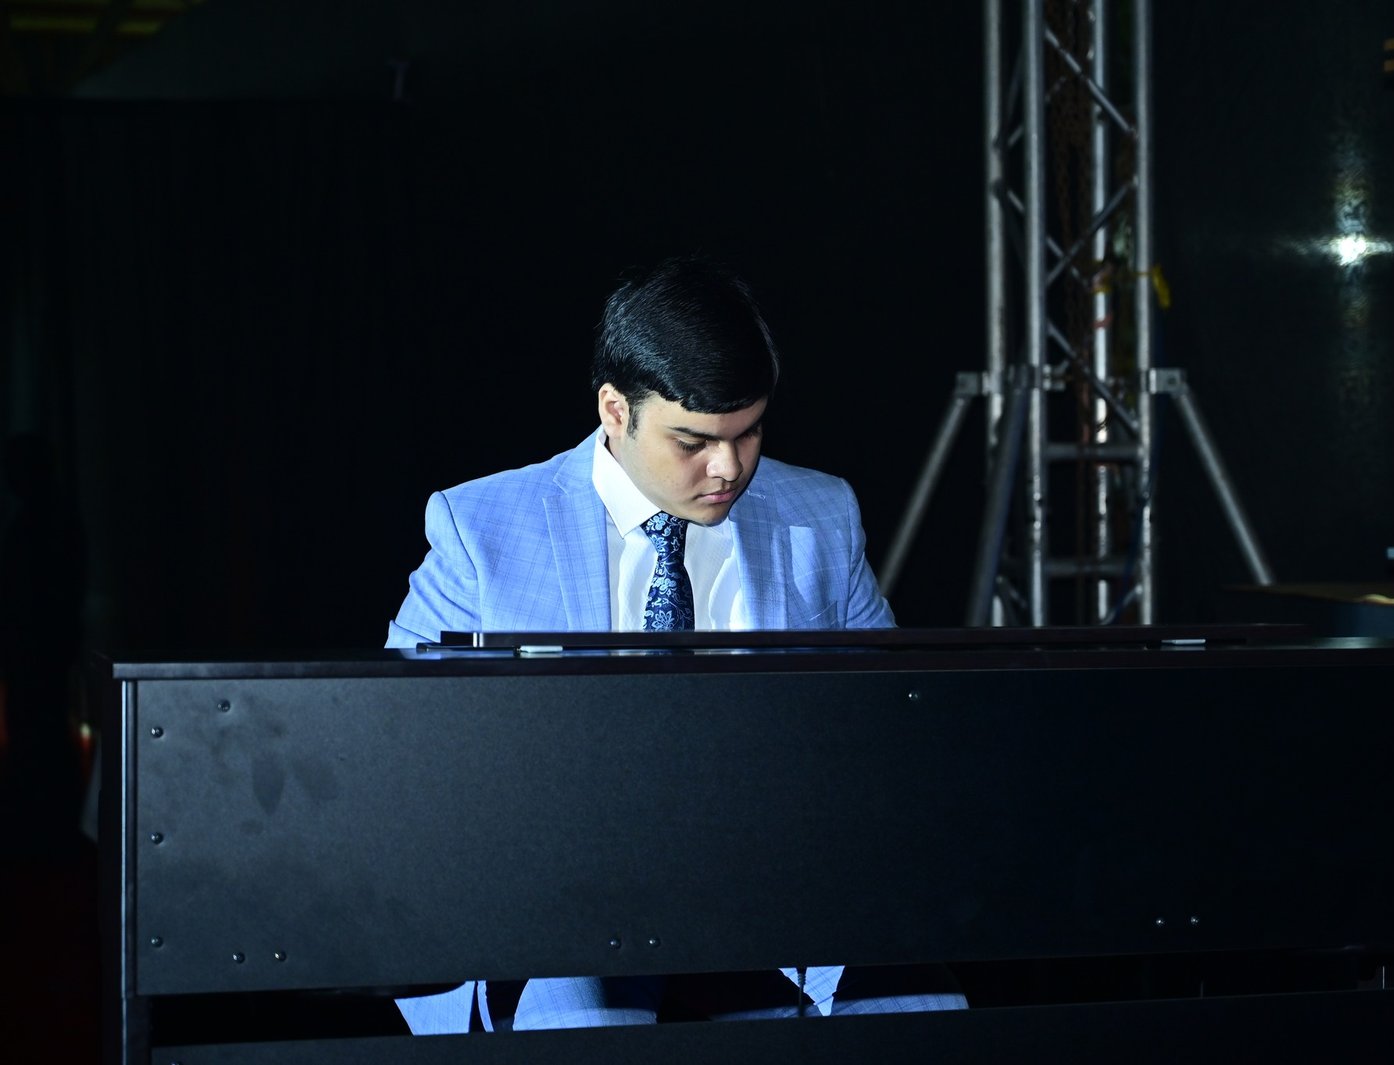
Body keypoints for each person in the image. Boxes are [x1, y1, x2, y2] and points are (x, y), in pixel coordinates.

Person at [385, 256, 966, 1033]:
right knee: (590, 1030)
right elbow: (403, 756)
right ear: (614, 410)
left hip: (779, 904)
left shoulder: (821, 514)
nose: (729, 467)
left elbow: (891, 731)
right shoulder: (481, 530)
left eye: (749, 432)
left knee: (930, 1020)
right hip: (564, 913)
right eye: (693, 440)